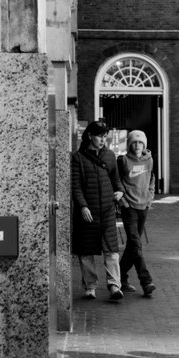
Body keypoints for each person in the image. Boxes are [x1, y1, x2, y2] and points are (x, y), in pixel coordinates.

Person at [71, 120, 124, 301]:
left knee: (111, 249)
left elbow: (116, 180)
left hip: (107, 209)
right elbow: (76, 186)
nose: (103, 140)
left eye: (105, 136)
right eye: (100, 136)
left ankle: (114, 285)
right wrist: (83, 206)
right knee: (86, 251)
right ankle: (90, 286)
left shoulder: (110, 155)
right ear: (89, 136)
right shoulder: (78, 158)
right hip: (88, 211)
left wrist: (120, 192)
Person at [116, 129, 157, 297]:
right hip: (129, 208)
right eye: (134, 142)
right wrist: (123, 202)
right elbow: (117, 182)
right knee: (135, 243)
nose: (138, 146)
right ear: (130, 144)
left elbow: (152, 179)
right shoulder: (123, 161)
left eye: (140, 142)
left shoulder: (149, 161)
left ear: (144, 144)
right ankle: (145, 281)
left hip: (143, 206)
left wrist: (150, 197)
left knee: (133, 246)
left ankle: (120, 277)